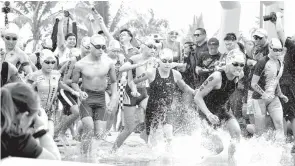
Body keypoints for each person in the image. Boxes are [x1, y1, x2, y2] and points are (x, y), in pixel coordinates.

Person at [194, 49, 245, 166]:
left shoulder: (239, 75)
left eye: (242, 64)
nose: (239, 67)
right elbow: (197, 97)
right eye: (235, 64)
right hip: (205, 111)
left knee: (237, 133)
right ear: (228, 63)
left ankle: (231, 161)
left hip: (221, 110)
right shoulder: (217, 77)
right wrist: (208, 114)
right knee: (218, 148)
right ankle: (200, 155)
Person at [135, 48, 196, 147]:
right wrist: (134, 90)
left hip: (167, 107)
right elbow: (134, 82)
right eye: (164, 61)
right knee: (152, 139)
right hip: (152, 108)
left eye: (170, 61)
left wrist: (194, 92)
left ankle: (169, 154)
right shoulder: (151, 73)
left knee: (169, 134)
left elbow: (184, 87)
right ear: (159, 61)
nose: (167, 64)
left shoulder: (176, 74)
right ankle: (148, 143)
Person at [71, 34, 117, 156]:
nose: (101, 49)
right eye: (97, 47)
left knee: (99, 134)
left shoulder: (109, 63)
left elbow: (114, 82)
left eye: (103, 47)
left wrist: (113, 98)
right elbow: (74, 83)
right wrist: (79, 92)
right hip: (86, 98)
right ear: (90, 47)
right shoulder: (80, 64)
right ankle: (85, 157)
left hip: (101, 98)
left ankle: (81, 129)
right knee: (89, 128)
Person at [111, 38, 158, 152]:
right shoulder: (134, 59)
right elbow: (124, 72)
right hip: (130, 93)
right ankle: (113, 150)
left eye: (154, 48)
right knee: (129, 128)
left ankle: (147, 138)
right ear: (143, 48)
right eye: (150, 47)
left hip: (143, 92)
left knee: (154, 114)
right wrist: (138, 65)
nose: (153, 49)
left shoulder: (154, 60)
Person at [1, 82, 60, 160]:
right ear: (24, 117)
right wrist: (41, 130)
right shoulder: (13, 138)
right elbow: (55, 162)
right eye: (32, 121)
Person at [26, 49, 74, 136]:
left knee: (50, 135)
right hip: (37, 110)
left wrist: (73, 91)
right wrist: (34, 84)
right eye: (47, 62)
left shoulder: (56, 74)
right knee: (40, 135)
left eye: (53, 62)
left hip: (50, 110)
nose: (50, 65)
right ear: (41, 62)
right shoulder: (34, 75)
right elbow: (25, 91)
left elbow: (60, 84)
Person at [251, 38, 287, 140]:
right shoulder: (262, 62)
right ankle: (258, 150)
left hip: (273, 98)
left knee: (279, 124)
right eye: (275, 50)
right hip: (259, 99)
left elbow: (276, 79)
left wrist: (280, 94)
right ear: (269, 48)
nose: (278, 52)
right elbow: (253, 83)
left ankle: (281, 149)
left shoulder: (280, 62)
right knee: (260, 130)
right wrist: (264, 94)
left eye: (280, 50)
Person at [273, 12, 295, 152]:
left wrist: (279, 17)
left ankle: (284, 142)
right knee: (291, 115)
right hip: (291, 85)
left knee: (287, 114)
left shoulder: (293, 48)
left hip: (288, 86)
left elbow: (280, 31)